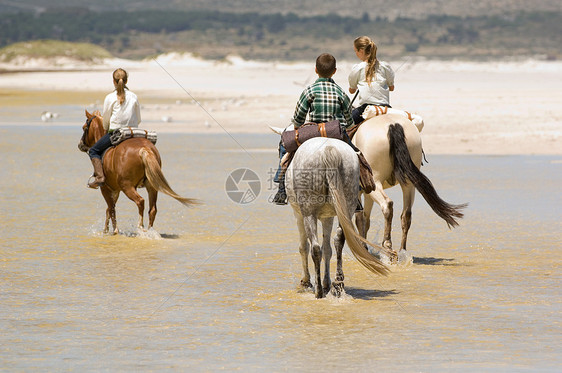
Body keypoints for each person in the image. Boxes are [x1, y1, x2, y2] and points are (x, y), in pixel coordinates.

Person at [272, 53, 373, 206]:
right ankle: (356, 194)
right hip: (335, 132)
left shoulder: (309, 91)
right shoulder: (340, 92)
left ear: (315, 70)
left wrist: (300, 129)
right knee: (356, 156)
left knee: (284, 145)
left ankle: (281, 190)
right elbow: (350, 122)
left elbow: (298, 119)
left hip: (312, 131)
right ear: (334, 71)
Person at [87, 68, 141, 188]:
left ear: (113, 81)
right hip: (133, 132)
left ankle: (100, 177)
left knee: (93, 151)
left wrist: (106, 129)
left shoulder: (110, 97)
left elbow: (106, 120)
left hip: (116, 132)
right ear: (126, 81)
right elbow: (138, 119)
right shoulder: (134, 96)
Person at [348, 36, 395, 124]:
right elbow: (391, 88)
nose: (356, 54)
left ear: (361, 51)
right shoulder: (385, 67)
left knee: (346, 124)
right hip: (385, 108)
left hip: (365, 109)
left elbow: (351, 91)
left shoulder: (357, 68)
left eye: (355, 51)